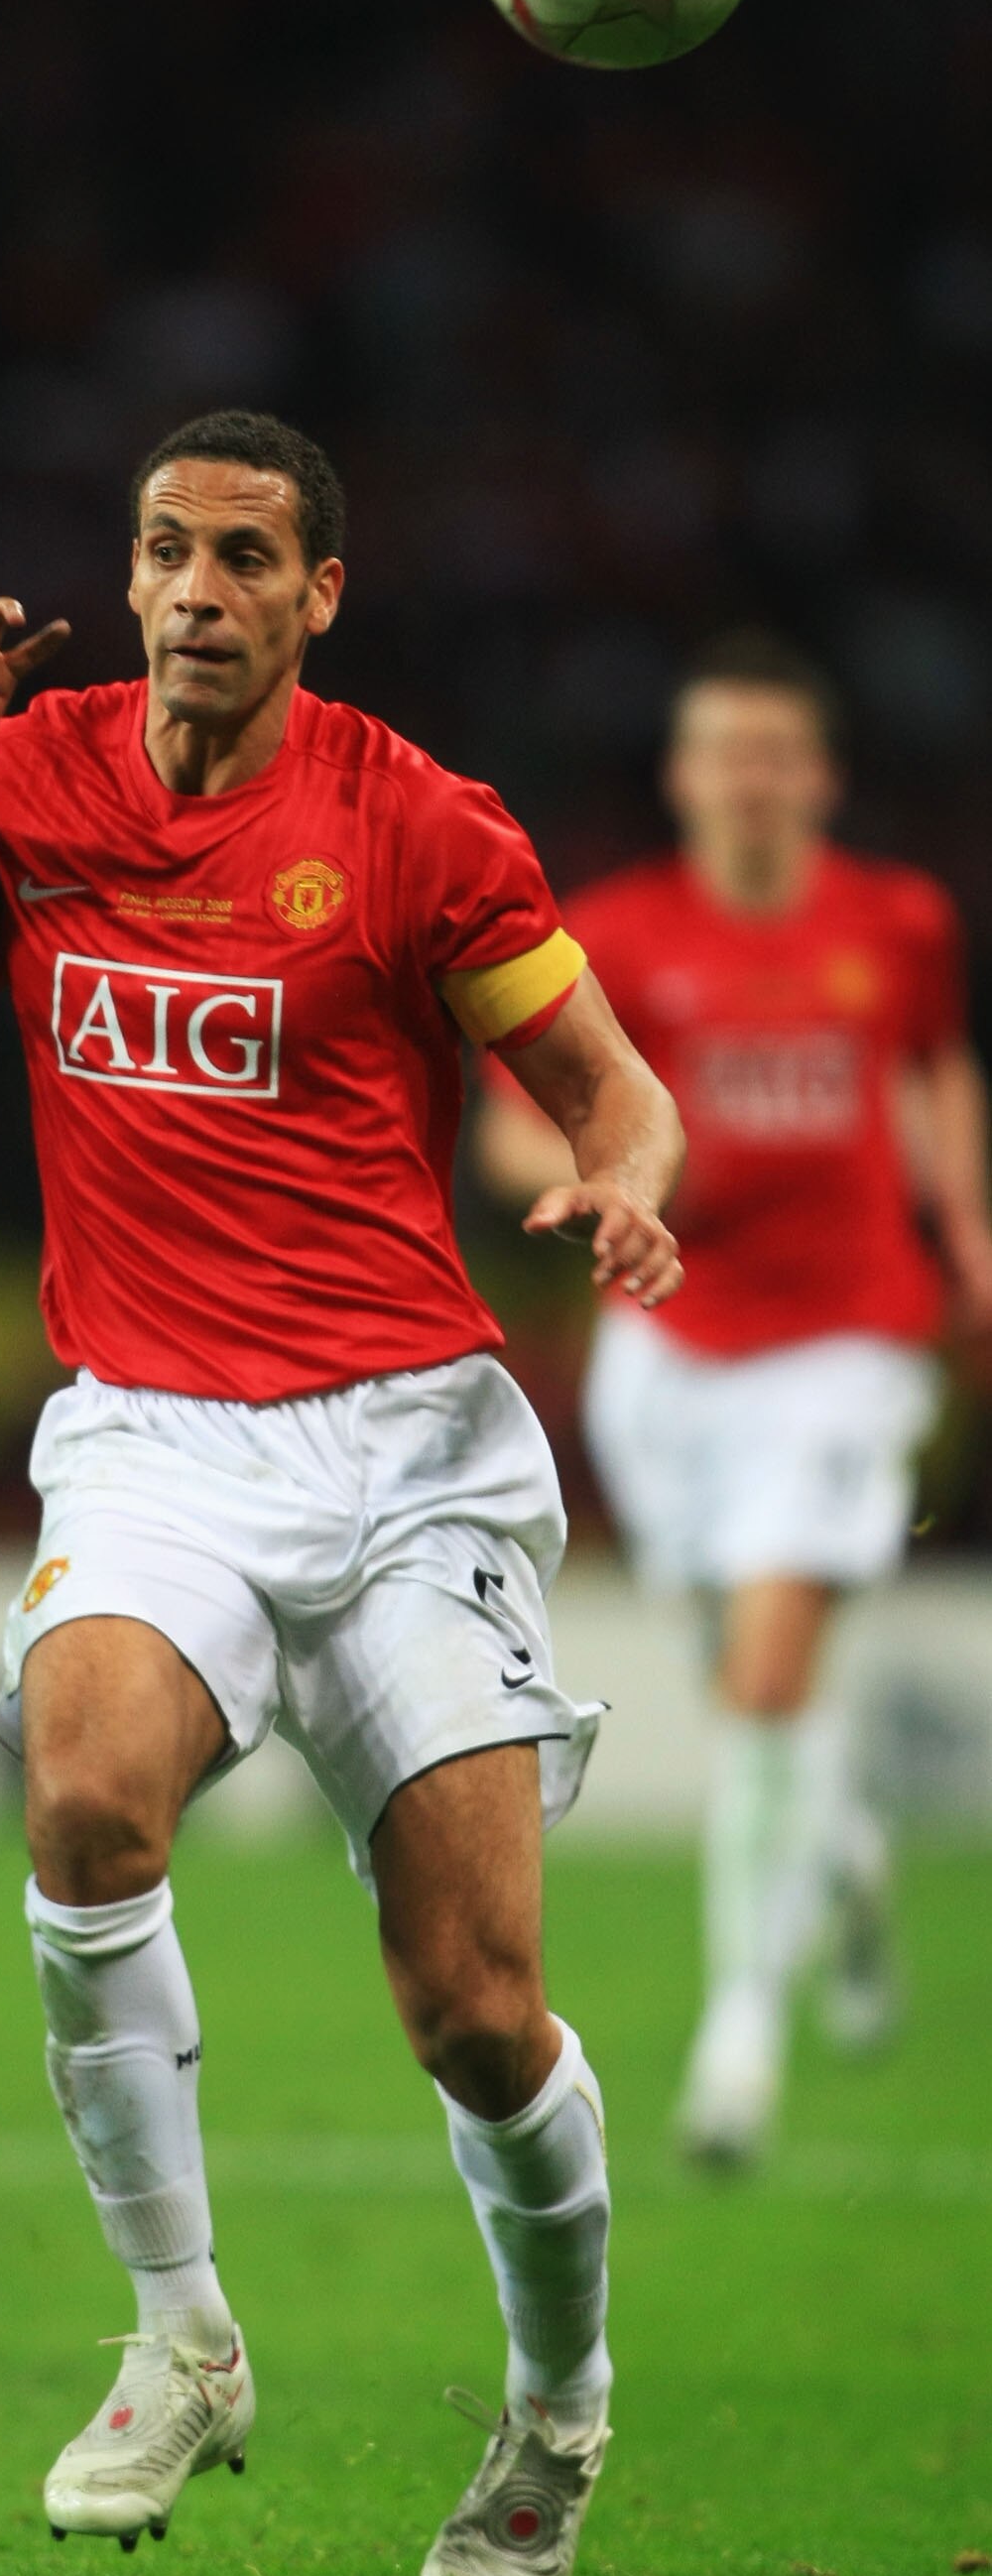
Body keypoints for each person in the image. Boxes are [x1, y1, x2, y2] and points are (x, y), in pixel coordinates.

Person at [0, 407, 685, 2576]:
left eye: (242, 557)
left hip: (402, 1451)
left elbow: (609, 1089)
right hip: (150, 1434)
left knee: (474, 2011)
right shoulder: (35, 773)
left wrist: (618, 1188)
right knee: (85, 1802)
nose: (196, 591)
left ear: (319, 595)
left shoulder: (413, 825)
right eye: (161, 550)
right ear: (124, 577)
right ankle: (181, 2337)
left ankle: (557, 2406)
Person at [476, 633, 992, 2167]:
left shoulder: (895, 922)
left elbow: (930, 1068)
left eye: (777, 755)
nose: (752, 781)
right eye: (725, 754)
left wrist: (962, 1228)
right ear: (683, 776)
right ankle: (844, 1858)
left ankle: (739, 2041)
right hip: (671, 1347)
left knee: (766, 1681)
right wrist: (592, 1188)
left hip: (848, 1342)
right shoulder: (617, 935)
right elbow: (513, 1123)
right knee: (744, 1682)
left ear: (817, 778)